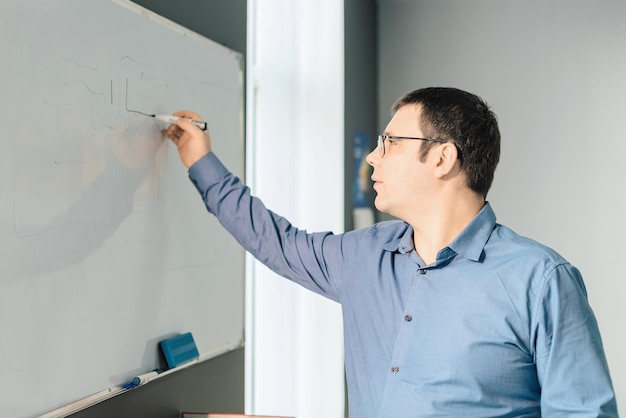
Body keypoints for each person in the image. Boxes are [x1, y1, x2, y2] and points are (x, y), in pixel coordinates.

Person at [163, 87, 618, 417]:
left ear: (442, 158)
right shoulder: (362, 256)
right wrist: (202, 162)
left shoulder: (539, 279)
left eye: (390, 143)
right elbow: (273, 240)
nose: (372, 157)